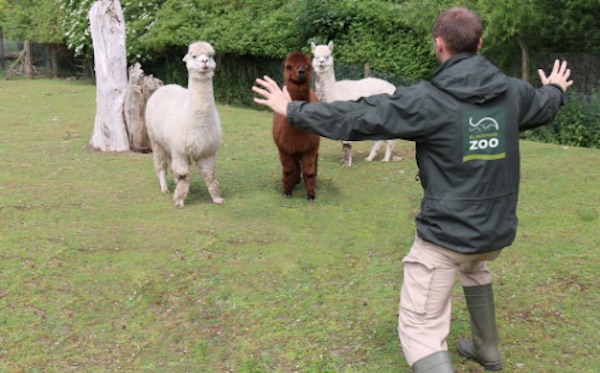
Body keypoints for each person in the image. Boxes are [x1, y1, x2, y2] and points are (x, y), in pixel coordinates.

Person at [252, 6, 573, 373]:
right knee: (474, 265)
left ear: (439, 45)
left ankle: (470, 347)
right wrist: (555, 88)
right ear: (480, 44)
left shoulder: (427, 100)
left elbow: (357, 117)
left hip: (447, 236)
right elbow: (544, 104)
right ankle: (487, 350)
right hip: (495, 232)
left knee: (419, 327)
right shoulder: (513, 93)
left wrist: (292, 110)